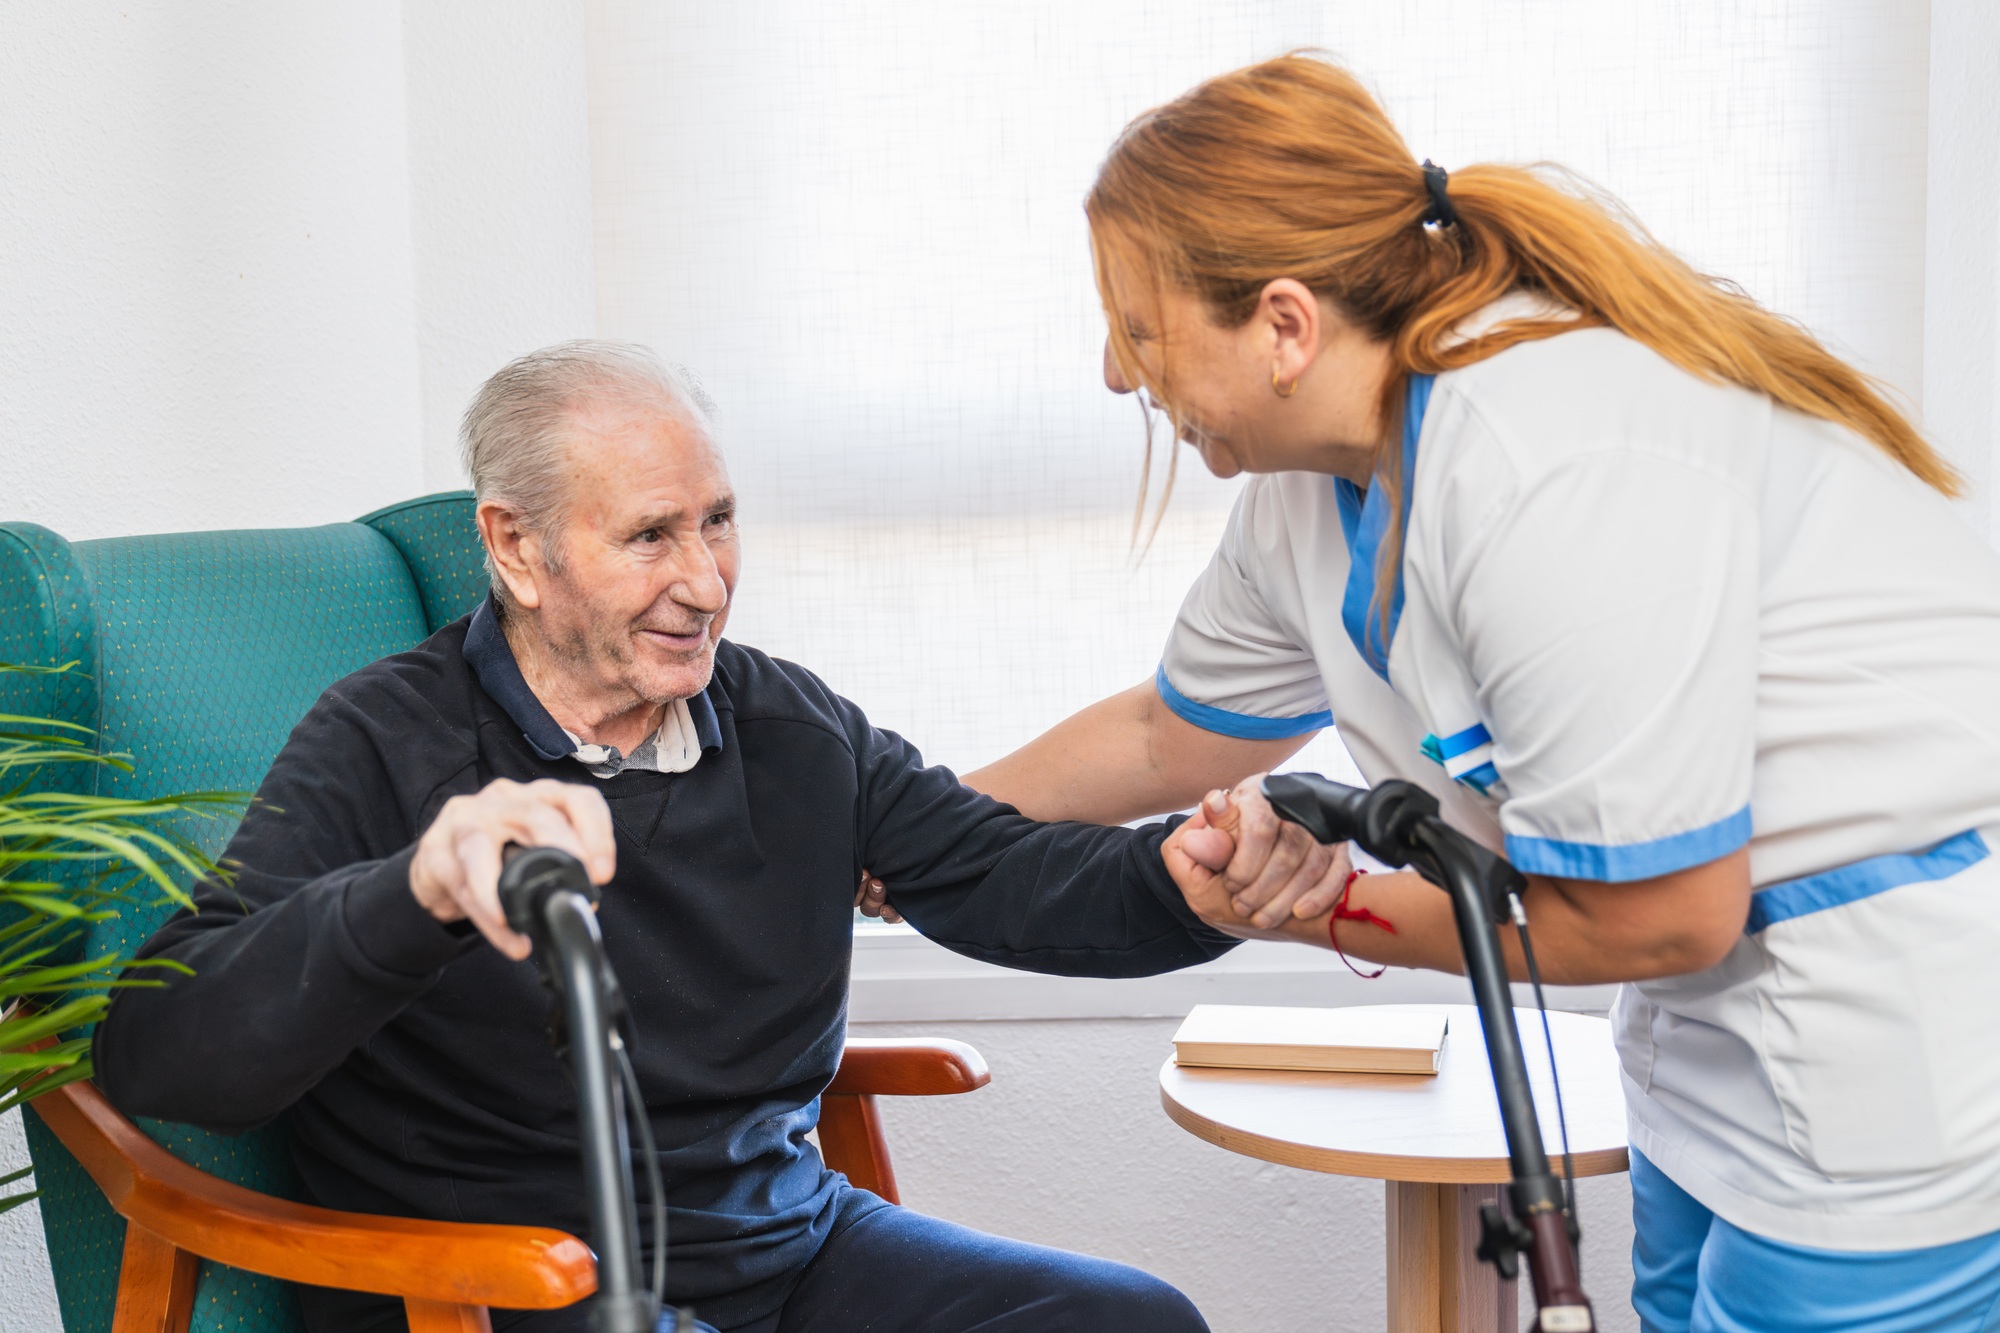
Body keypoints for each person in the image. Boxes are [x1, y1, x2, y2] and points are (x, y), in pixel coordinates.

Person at [910, 52, 2000, 1333]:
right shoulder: (1308, 491)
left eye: (1139, 331)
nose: (1113, 374)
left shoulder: (1548, 460)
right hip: (1706, 1056)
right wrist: (898, 833)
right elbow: (1168, 734)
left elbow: (1660, 915)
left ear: (1280, 324)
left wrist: (1314, 906)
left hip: (1887, 1047)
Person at [93, 341, 1336, 1333]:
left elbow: (1000, 874)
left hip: (785, 1253)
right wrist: (412, 890)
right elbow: (164, 1053)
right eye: (649, 535)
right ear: (517, 548)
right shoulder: (386, 738)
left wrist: (1183, 884)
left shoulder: (787, 724)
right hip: (493, 1285)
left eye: (719, 521)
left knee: (1126, 1322)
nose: (704, 580)